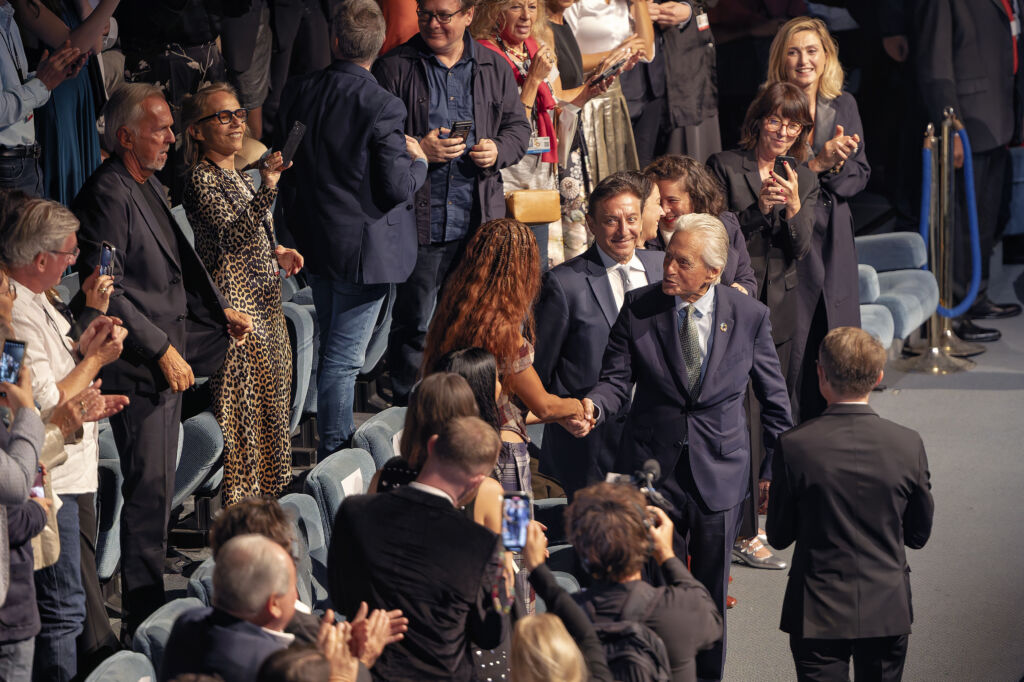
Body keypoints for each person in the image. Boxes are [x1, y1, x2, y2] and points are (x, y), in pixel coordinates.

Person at [571, 214, 794, 681]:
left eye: (682, 262)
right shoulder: (638, 307)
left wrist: (774, 469)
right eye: (668, 256)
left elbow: (775, 401)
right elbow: (615, 382)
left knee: (709, 597)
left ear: (713, 272)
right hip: (653, 476)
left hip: (720, 474)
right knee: (645, 591)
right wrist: (593, 406)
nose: (668, 268)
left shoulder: (749, 316)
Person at [71, 83, 252, 637]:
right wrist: (164, 348)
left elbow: (177, 266)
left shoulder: (144, 182)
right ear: (126, 136)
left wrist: (220, 311)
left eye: (173, 127)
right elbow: (109, 289)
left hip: (169, 352)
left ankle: (148, 598)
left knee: (161, 485)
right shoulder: (107, 191)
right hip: (138, 363)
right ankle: (143, 616)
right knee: (148, 489)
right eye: (161, 129)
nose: (173, 138)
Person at [276, 0, 427, 458]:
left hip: (316, 243)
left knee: (333, 355)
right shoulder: (383, 105)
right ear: (380, 46)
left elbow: (290, 159)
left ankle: (331, 453)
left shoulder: (300, 89)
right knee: (342, 361)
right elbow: (395, 186)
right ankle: (336, 458)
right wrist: (419, 162)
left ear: (335, 42)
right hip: (363, 254)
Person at [372, 0, 531, 406]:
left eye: (443, 15)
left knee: (476, 323)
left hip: (477, 222)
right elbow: (374, 140)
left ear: (468, 15)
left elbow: (518, 127)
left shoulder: (493, 67)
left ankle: (470, 407)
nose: (432, 24)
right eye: (426, 14)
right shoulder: (395, 67)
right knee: (415, 324)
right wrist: (418, 148)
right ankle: (411, 412)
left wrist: (498, 150)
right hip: (419, 221)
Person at [2, 197, 130, 682]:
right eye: (69, 253)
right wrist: (94, 364)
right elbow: (26, 405)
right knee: (61, 613)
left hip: (65, 472)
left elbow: (45, 385)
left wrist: (84, 346)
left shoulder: (40, 302)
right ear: (39, 259)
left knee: (66, 609)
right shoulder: (11, 327)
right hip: (46, 482)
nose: (74, 261)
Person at [767, 326, 934, 680]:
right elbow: (918, 534)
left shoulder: (794, 446)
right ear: (879, 377)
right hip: (887, 606)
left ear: (820, 373)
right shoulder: (908, 444)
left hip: (817, 608)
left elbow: (779, 536)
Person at [181, 83, 301, 505]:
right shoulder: (200, 179)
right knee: (243, 418)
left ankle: (269, 503)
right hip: (238, 310)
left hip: (267, 302)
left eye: (237, 113)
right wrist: (268, 184)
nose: (235, 122)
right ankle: (240, 512)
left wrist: (280, 250)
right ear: (196, 131)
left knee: (273, 410)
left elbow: (253, 234)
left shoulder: (237, 176)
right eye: (223, 116)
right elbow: (231, 235)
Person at [329, 416, 507, 681]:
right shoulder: (482, 545)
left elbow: (341, 599)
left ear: (432, 445)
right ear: (476, 482)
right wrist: (507, 585)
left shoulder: (354, 512)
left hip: (369, 671)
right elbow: (490, 634)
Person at [421, 218, 587, 497]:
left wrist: (560, 416)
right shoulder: (504, 333)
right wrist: (578, 407)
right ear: (523, 270)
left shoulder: (453, 315)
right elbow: (543, 406)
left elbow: (504, 406)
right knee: (515, 535)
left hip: (456, 447)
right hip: (503, 455)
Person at [533, 173, 664, 499]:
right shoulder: (565, 284)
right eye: (611, 221)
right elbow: (540, 372)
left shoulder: (662, 268)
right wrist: (564, 414)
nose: (624, 231)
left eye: (632, 219)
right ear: (591, 223)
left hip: (657, 441)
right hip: (592, 447)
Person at [765, 16, 867, 421]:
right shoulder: (769, 106)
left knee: (836, 339)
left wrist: (837, 166)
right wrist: (819, 162)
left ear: (826, 57)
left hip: (835, 237)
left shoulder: (844, 104)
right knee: (794, 349)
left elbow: (861, 175)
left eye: (812, 51)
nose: (803, 60)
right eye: (793, 51)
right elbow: (764, 175)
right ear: (781, 58)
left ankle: (838, 432)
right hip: (786, 237)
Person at [472, 0, 612, 268]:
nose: (526, 16)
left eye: (532, 6)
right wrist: (533, 80)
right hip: (507, 183)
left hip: (541, 181)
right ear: (494, 11)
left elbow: (555, 103)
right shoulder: (484, 57)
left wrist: (589, 92)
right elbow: (508, 129)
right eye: (515, 7)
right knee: (510, 272)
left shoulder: (534, 48)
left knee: (540, 273)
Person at [915, 0, 1024, 342]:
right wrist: (951, 128)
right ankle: (955, 309)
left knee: (987, 220)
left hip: (1000, 119)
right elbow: (936, 66)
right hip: (966, 123)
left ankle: (976, 297)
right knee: (962, 222)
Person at [706, 81, 817, 408]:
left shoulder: (806, 178)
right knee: (734, 397)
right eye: (775, 121)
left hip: (782, 303)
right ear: (758, 121)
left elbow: (802, 248)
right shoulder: (723, 165)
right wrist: (760, 210)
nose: (783, 132)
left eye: (793, 124)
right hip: (736, 291)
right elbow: (714, 232)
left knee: (775, 399)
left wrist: (794, 207)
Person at [568, 482, 722, 682]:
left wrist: (536, 568)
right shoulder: (681, 609)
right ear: (646, 544)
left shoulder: (565, 619)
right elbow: (713, 622)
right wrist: (666, 554)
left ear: (581, 548)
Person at [12, 0, 121, 204]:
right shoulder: (26, 4)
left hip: (79, 89)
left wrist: (82, 4)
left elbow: (96, 46)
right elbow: (73, 44)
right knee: (67, 183)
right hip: (57, 96)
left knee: (86, 181)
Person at [161, 534, 306, 682]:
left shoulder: (188, 620)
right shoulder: (276, 666)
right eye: (293, 587)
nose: (296, 595)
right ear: (274, 604)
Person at [0, 0, 84, 196]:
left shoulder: (7, 17)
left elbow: (13, 88)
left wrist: (49, 76)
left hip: (22, 161)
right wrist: (41, 84)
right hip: (8, 167)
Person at [642, 154, 758, 296]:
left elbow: (746, 279)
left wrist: (738, 293)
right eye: (659, 201)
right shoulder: (645, 234)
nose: (664, 210)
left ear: (695, 197)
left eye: (672, 201)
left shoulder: (726, 225)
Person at [564, 0, 651, 180]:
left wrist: (640, 3)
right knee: (593, 174)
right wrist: (614, 55)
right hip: (585, 95)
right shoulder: (575, 3)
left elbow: (647, 52)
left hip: (614, 97)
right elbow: (566, 58)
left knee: (618, 173)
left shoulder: (623, 3)